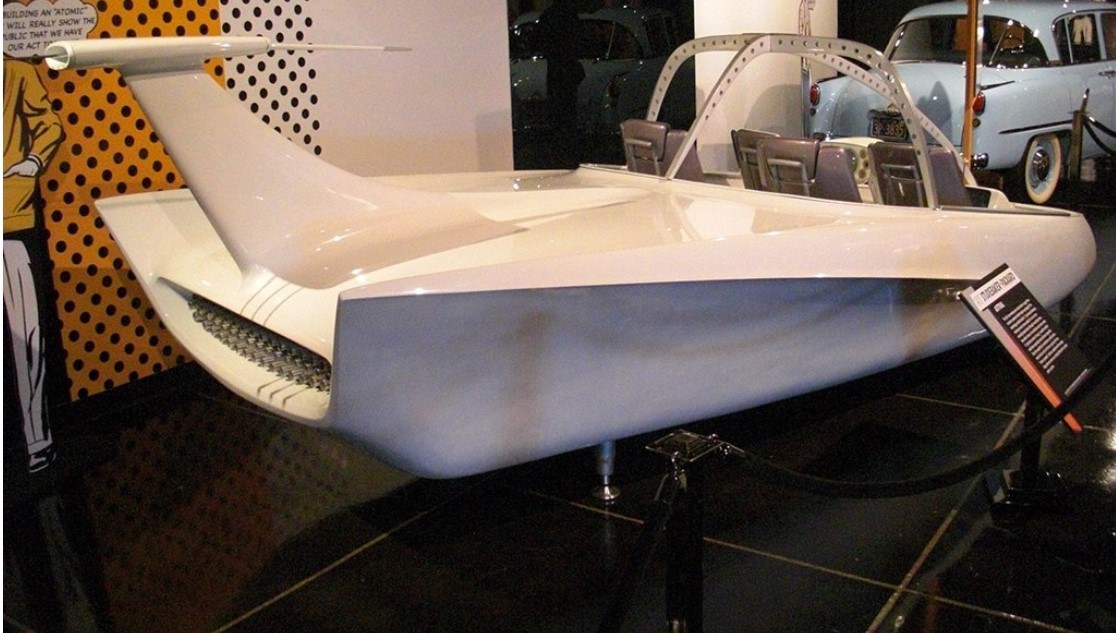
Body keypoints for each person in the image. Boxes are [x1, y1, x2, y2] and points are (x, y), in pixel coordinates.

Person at [4, 54, 65, 472]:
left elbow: (49, 126)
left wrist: (31, 163)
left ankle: (36, 441)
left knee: (26, 334)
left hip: (10, 217)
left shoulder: (16, 72)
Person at [536, 0, 586, 168]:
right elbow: (578, 43)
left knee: (557, 114)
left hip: (556, 70)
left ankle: (559, 152)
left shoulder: (548, 16)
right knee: (568, 114)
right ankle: (567, 152)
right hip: (566, 70)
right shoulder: (569, 15)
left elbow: (540, 42)